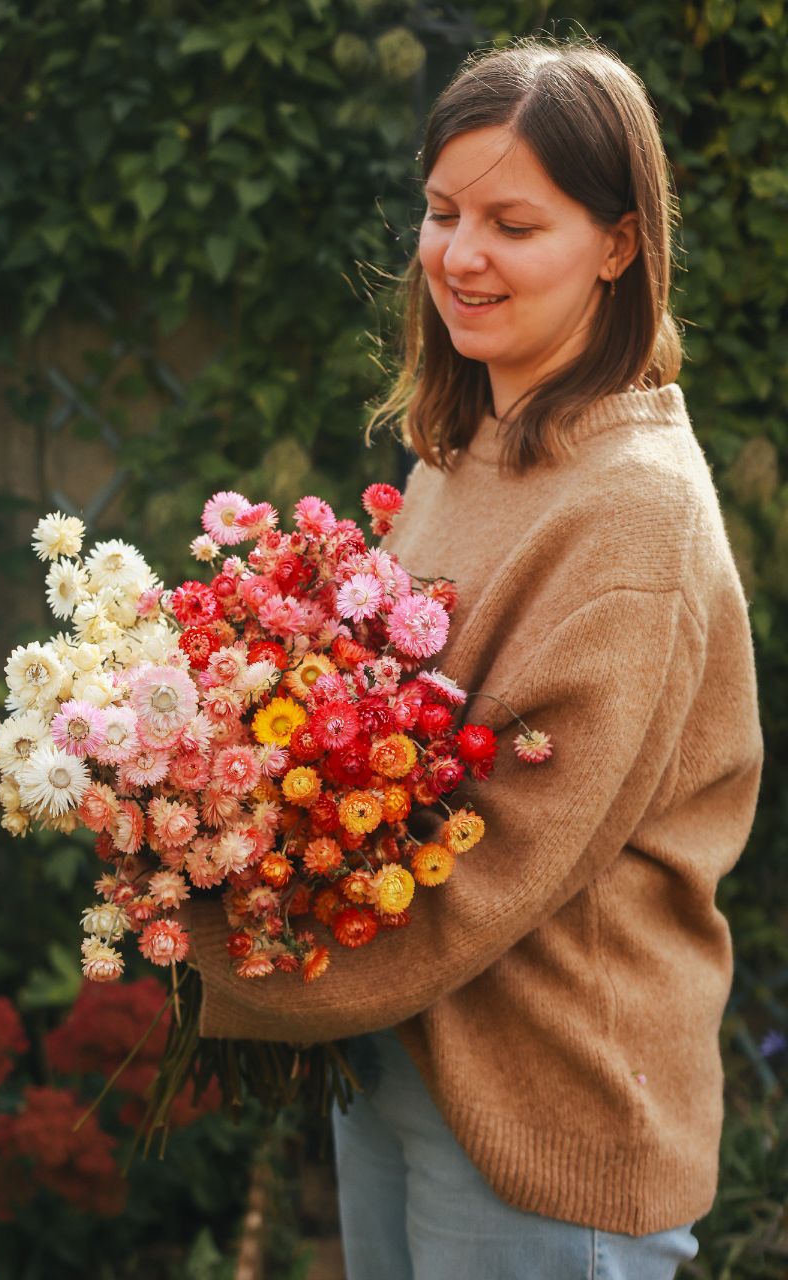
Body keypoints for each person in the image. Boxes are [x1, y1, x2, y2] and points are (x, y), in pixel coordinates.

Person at [188, 36, 764, 1280]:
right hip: (412, 1056)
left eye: (514, 221)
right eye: (443, 212)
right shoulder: (469, 447)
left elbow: (502, 852)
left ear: (618, 243)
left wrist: (214, 938)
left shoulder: (633, 506)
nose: (459, 254)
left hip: (550, 1104)